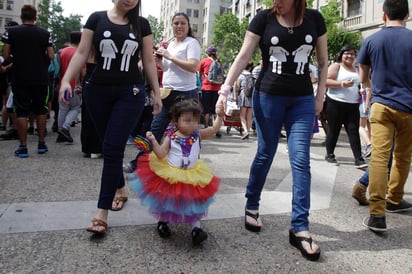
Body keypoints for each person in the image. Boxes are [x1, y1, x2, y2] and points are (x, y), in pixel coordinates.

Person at [215, 0, 328, 261]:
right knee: (266, 152)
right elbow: (244, 55)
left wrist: (320, 94)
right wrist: (224, 90)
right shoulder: (263, 19)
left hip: (301, 100)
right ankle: (252, 204)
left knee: (300, 160)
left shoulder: (315, 19)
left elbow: (322, 61)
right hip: (268, 97)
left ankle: (300, 226)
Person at [59, 0, 162, 235]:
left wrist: (156, 92)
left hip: (130, 93)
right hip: (96, 92)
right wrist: (67, 80)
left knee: (113, 149)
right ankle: (121, 189)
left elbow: (147, 60)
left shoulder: (142, 25)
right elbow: (82, 52)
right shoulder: (96, 18)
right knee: (108, 146)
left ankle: (101, 212)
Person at [129, 98, 222, 245]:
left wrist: (220, 116)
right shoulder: (171, 137)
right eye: (187, 120)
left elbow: (213, 130)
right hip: (172, 175)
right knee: (168, 201)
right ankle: (163, 222)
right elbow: (161, 154)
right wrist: (153, 141)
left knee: (194, 202)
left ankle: (196, 229)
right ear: (176, 120)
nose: (193, 124)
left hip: (193, 175)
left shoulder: (197, 135)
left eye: (195, 120)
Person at [357, 0, 412, 233]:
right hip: (409, 106)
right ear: (407, 15)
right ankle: (395, 199)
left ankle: (377, 214)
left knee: (380, 157)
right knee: (403, 156)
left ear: (383, 16)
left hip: (381, 105)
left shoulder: (371, 40)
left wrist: (375, 87)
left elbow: (363, 77)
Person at [1, 5, 54, 158]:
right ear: (35, 17)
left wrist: (16, 59)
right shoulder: (44, 33)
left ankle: (23, 147)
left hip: (20, 76)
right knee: (41, 109)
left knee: (21, 110)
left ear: (21, 16)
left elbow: (5, 54)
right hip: (40, 76)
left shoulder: (11, 32)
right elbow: (51, 55)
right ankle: (42, 143)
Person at [151, 12, 201, 143]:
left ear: (188, 26)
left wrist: (170, 56)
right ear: (172, 26)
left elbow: (193, 67)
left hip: (186, 94)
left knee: (186, 132)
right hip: (167, 92)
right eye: (176, 23)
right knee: (156, 128)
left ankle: (189, 161)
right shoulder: (172, 44)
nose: (179, 26)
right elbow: (168, 69)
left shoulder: (192, 43)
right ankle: (140, 161)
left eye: (183, 23)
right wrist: (159, 62)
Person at [324, 45, 367, 169]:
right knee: (334, 129)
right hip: (336, 103)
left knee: (353, 131)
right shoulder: (336, 66)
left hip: (353, 105)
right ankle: (330, 154)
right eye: (346, 53)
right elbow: (326, 81)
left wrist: (360, 91)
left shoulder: (357, 70)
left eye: (352, 54)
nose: (349, 56)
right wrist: (341, 84)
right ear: (341, 55)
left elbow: (360, 84)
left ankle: (358, 158)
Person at [57, 31, 83, 143]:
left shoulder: (61, 52)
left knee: (62, 109)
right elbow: (82, 70)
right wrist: (78, 84)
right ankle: (65, 127)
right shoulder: (79, 53)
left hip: (62, 84)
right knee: (76, 107)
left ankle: (60, 131)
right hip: (73, 86)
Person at [198, 45, 222, 136]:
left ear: (207, 53)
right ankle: (217, 129)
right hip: (217, 88)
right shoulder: (219, 62)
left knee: (206, 109)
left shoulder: (204, 61)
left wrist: (202, 82)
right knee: (216, 109)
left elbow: (199, 74)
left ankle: (206, 127)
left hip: (206, 88)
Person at [233, 61, 254, 139]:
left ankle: (245, 131)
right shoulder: (252, 76)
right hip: (251, 96)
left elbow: (237, 86)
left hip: (243, 95)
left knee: (242, 115)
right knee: (249, 116)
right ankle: (248, 131)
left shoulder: (240, 76)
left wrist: (235, 97)